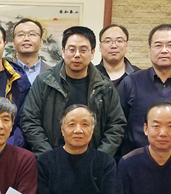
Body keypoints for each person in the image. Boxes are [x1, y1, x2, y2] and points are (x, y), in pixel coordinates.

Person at [22, 26, 126, 157]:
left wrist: (99, 158)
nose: (77, 55)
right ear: (63, 51)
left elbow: (116, 125)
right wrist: (48, 157)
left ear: (92, 53)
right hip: (51, 159)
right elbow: (30, 120)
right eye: (72, 50)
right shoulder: (44, 81)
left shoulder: (105, 86)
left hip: (93, 161)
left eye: (83, 50)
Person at [118, 24, 171, 155]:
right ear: (150, 49)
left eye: (170, 45)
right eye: (158, 45)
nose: (164, 50)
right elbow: (119, 125)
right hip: (136, 160)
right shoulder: (130, 83)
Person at [12, 18, 50, 84]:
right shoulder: (6, 72)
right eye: (20, 34)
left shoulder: (53, 74)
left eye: (32, 34)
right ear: (13, 43)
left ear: (41, 42)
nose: (26, 38)